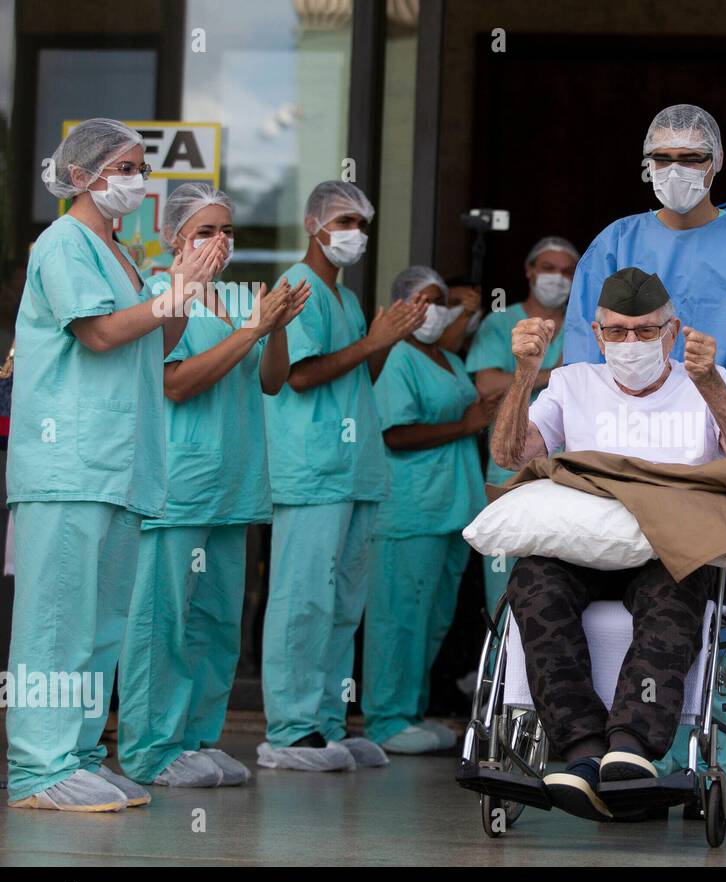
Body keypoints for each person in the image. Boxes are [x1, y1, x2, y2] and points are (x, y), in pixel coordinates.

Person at [492, 267, 726, 820]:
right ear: (596, 334)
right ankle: (581, 750)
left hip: (669, 550)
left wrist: (710, 381)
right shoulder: (573, 384)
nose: (630, 343)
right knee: (532, 581)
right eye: (617, 332)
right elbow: (511, 455)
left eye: (646, 331)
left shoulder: (707, 382)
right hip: (584, 550)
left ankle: (632, 749)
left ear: (673, 329)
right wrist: (525, 374)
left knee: (678, 587)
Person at [5, 119, 223, 811]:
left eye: (141, 168)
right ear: (81, 175)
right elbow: (98, 333)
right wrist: (169, 291)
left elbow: (161, 343)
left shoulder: (121, 252)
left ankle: (76, 755)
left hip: (117, 465)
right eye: (124, 167)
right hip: (69, 460)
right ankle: (37, 768)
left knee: (99, 626)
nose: (137, 180)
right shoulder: (64, 244)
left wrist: (183, 290)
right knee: (57, 619)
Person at [116, 185, 309, 788]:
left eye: (228, 231)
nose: (220, 242)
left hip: (233, 488)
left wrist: (272, 326)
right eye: (205, 231)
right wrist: (252, 330)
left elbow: (274, 382)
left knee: (218, 624)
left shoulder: (233, 298)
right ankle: (151, 749)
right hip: (178, 489)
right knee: (163, 624)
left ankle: (196, 738)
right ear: (175, 238)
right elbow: (174, 383)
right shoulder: (158, 296)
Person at [258, 181, 426, 772]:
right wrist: (375, 341)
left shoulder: (346, 300)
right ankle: (289, 728)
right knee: (302, 598)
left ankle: (327, 722)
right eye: (345, 219)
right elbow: (299, 376)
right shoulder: (296, 288)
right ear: (313, 223)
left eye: (362, 221)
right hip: (311, 468)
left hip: (352, 470)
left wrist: (385, 342)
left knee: (341, 603)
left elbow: (358, 373)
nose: (355, 232)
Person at [562, 105, 726, 489]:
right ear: (648, 163)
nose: (676, 170)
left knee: (714, 547)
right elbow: (586, 351)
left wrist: (724, 430)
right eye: (663, 159)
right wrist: (615, 429)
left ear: (717, 160)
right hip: (624, 442)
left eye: (692, 159)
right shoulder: (616, 242)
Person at [364, 266, 495, 754]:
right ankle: (385, 720)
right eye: (423, 300)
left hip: (450, 508)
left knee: (431, 619)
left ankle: (411, 713)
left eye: (441, 302)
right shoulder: (398, 358)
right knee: (398, 619)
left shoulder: (446, 359)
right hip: (409, 511)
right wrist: (465, 427)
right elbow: (393, 433)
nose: (434, 311)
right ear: (400, 306)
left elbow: (467, 410)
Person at [466, 236, 577, 614]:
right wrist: (551, 373)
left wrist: (523, 376)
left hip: (568, 464)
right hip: (511, 461)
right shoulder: (501, 323)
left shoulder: (584, 326)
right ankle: (501, 667)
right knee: (505, 568)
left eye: (566, 271)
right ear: (529, 271)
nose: (557, 278)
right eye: (548, 268)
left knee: (559, 573)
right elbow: (486, 384)